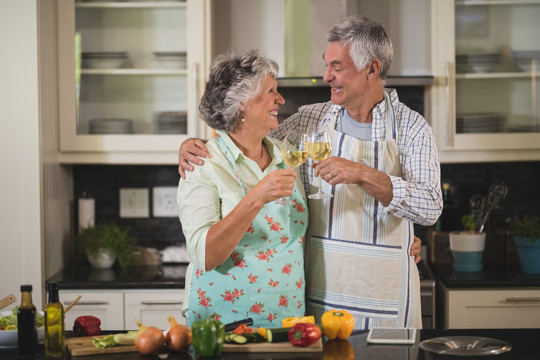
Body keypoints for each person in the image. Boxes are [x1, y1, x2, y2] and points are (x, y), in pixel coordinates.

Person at [179, 16, 441, 329]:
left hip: (384, 298)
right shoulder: (308, 122)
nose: (326, 76)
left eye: (337, 66)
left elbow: (430, 208)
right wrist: (191, 144)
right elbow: (242, 135)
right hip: (318, 300)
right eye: (326, 64)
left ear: (372, 69)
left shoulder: (412, 129)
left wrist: (363, 174)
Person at [177, 50, 309, 328]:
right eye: (271, 91)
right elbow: (206, 255)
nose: (281, 100)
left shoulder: (289, 155)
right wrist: (258, 196)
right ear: (242, 103)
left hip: (288, 322)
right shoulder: (203, 163)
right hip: (223, 323)